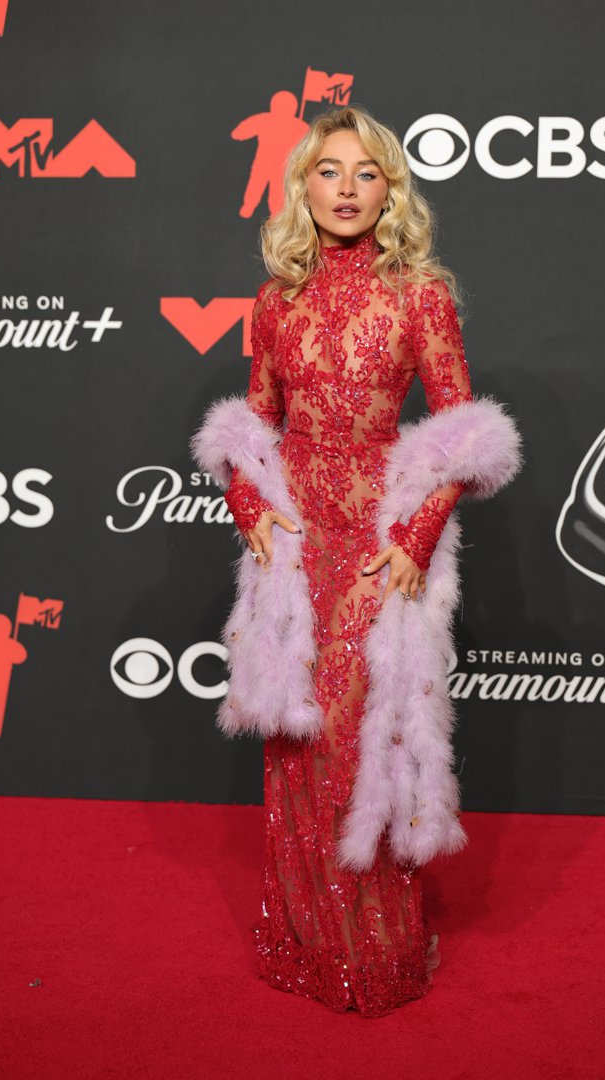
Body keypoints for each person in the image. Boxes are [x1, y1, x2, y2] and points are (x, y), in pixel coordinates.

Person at [191, 104, 522, 1017]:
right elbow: (253, 421)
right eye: (328, 172)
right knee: (299, 739)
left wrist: (416, 536)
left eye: (365, 173)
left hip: (378, 543)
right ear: (302, 186)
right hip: (296, 543)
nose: (345, 189)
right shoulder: (276, 298)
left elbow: (463, 432)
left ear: (391, 190)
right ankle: (304, 937)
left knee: (362, 733)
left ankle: (374, 948)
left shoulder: (420, 293)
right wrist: (247, 498)